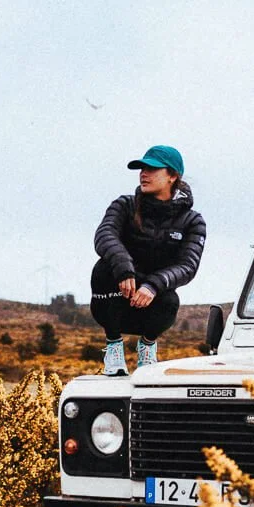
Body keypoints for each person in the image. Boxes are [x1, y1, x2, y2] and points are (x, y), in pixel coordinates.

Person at [91, 144, 206, 375]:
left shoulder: (192, 221)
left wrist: (153, 285)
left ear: (172, 176)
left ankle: (147, 346)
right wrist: (124, 268)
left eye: (152, 169)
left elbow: (188, 265)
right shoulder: (124, 205)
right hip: (118, 296)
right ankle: (114, 347)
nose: (144, 173)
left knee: (171, 301)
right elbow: (105, 235)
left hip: (152, 298)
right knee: (103, 270)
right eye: (142, 168)